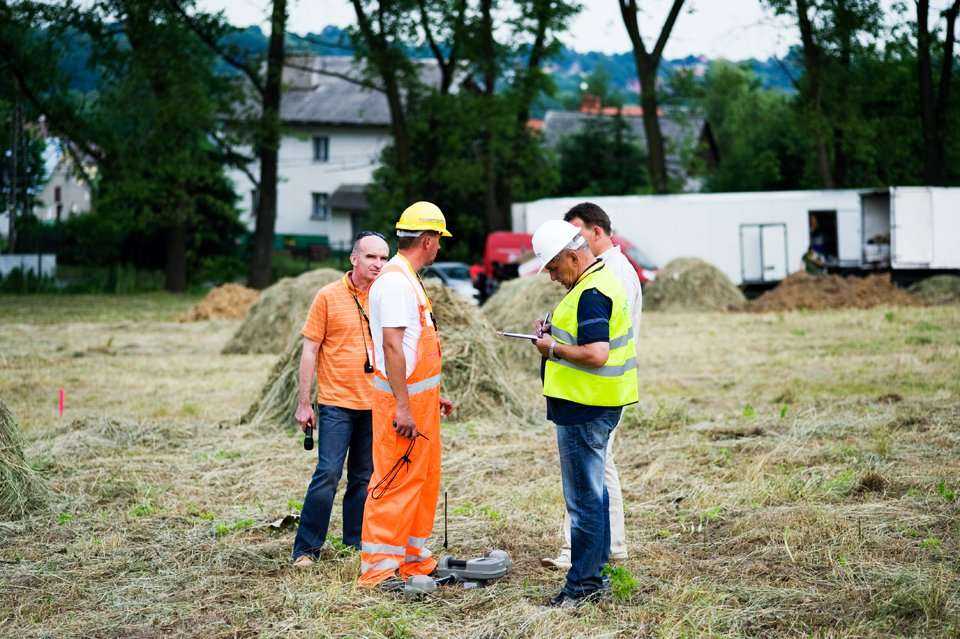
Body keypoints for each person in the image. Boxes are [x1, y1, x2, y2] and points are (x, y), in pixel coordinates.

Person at [529, 219, 639, 607]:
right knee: (596, 496)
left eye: (555, 268)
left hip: (585, 408)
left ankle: (582, 586)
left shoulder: (592, 290)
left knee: (583, 503)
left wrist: (552, 350)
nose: (554, 277)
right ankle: (597, 574)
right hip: (592, 403)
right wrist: (552, 334)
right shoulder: (595, 282)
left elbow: (596, 353)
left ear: (573, 257)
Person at [358, 201, 455, 588]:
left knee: (422, 479)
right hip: (404, 407)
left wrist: (434, 395)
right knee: (395, 481)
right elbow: (394, 347)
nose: (440, 248)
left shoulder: (405, 278)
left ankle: (413, 558)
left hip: (419, 402)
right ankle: (380, 569)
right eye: (439, 241)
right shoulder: (397, 282)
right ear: (428, 240)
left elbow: (414, 350)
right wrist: (403, 406)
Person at [291, 231, 390, 567]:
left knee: (363, 477)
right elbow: (309, 350)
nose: (378, 264)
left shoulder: (384, 296)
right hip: (336, 404)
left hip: (374, 403)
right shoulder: (328, 296)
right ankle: (306, 549)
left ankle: (355, 541)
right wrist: (305, 402)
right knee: (328, 474)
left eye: (383, 258)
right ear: (354, 259)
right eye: (371, 257)